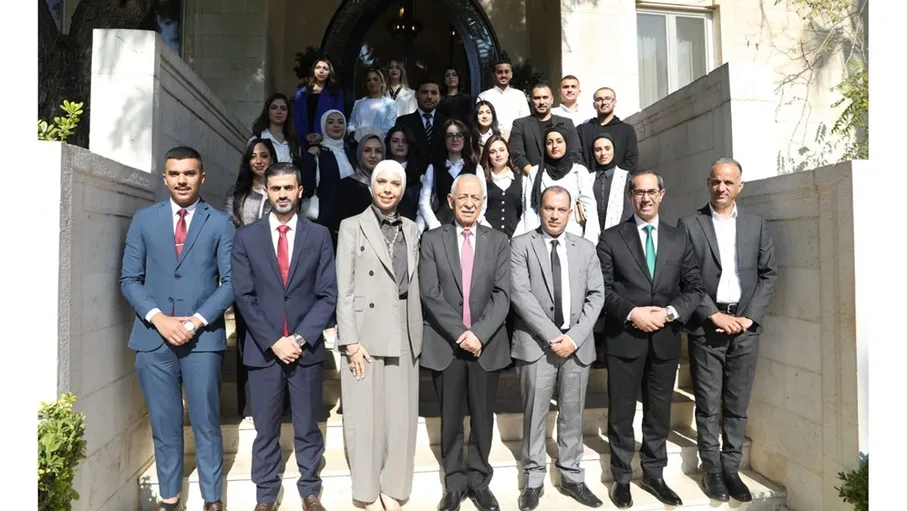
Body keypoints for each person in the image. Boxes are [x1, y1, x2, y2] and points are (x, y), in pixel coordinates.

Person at [120, 146, 235, 511]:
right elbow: (129, 279)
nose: (182, 180)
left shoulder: (220, 223)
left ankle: (212, 499)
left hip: (202, 340)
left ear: (202, 177)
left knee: (206, 422)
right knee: (164, 423)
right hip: (153, 339)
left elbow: (231, 282)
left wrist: (195, 321)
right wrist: (159, 318)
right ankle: (169, 498)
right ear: (165, 177)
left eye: (190, 173)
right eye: (175, 173)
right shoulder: (144, 220)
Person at [231, 162, 338, 511]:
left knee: (307, 426)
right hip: (264, 351)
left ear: (299, 191)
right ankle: (265, 495)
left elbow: (327, 295)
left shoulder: (318, 235)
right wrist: (274, 340)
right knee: (265, 429)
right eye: (275, 188)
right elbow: (243, 295)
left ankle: (310, 490)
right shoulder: (246, 237)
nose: (282, 194)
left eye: (288, 188)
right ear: (266, 191)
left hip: (306, 351)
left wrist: (300, 338)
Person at [596, 170, 706, 509]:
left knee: (658, 412)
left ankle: (654, 474)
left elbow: (695, 288)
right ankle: (622, 477)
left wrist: (670, 313)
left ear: (662, 194)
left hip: (665, 338)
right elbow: (603, 289)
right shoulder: (611, 238)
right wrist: (633, 313)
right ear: (631, 196)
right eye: (639, 192)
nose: (645, 198)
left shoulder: (679, 238)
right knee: (621, 412)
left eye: (651, 192)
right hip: (624, 337)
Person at [676, 158, 778, 503]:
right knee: (707, 404)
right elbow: (686, 276)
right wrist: (712, 315)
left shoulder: (756, 224)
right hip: (708, 327)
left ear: (739, 186)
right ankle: (712, 469)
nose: (721, 188)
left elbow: (768, 274)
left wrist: (750, 318)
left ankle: (731, 469)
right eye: (716, 181)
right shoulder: (689, 224)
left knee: (736, 403)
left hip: (745, 328)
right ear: (709, 183)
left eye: (728, 183)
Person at [419, 173, 512, 511]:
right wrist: (461, 333)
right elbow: (430, 293)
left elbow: (503, 294)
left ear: (483, 202)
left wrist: (479, 334)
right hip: (447, 344)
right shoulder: (432, 240)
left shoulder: (498, 240)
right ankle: (455, 483)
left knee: (483, 418)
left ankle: (479, 481)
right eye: (463, 197)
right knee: (451, 417)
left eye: (475, 198)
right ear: (451, 200)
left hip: (486, 345)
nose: (469, 203)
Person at [510, 186, 605, 511]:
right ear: (539, 208)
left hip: (576, 346)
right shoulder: (521, 245)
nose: (554, 215)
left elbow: (597, 295)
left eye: (561, 210)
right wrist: (554, 337)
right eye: (549, 208)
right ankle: (533, 479)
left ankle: (572, 476)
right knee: (534, 414)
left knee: (572, 414)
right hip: (537, 345)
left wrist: (574, 338)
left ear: (570, 212)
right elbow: (520, 294)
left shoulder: (586, 248)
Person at [336, 160, 423, 511]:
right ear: (372, 186)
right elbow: (344, 287)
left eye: (395, 183)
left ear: (402, 189)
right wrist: (350, 341)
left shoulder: (412, 229)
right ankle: (367, 489)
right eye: (381, 182)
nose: (388, 188)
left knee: (401, 416)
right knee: (366, 415)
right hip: (365, 331)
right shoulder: (351, 226)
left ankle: (394, 485)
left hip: (404, 325)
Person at [224, 137, 278, 421]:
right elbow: (229, 232)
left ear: (273, 159)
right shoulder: (237, 195)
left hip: (278, 277)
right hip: (246, 275)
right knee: (247, 340)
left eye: (264, 155)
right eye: (253, 156)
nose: (259, 160)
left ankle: (280, 404)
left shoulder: (281, 189)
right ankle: (248, 406)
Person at [587, 133, 635, 368]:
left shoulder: (626, 177)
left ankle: (612, 346)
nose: (602, 153)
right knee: (594, 291)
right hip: (591, 242)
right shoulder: (587, 178)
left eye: (607, 148)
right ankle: (596, 348)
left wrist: (614, 239)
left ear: (614, 150)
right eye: (598, 149)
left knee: (615, 291)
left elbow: (629, 211)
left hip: (618, 243)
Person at [514, 125, 599, 244]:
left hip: (573, 236)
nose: (554, 146)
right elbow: (530, 209)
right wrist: (531, 241)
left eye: (559, 141)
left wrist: (590, 242)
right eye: (549, 142)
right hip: (542, 237)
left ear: (566, 144)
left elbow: (590, 208)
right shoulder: (535, 172)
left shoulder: (579, 172)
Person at [418, 119, 488, 232]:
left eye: (459, 135)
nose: (455, 139)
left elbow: (483, 201)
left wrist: (473, 223)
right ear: (444, 140)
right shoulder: (433, 168)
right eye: (449, 135)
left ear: (465, 139)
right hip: (440, 227)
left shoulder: (476, 169)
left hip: (469, 228)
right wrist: (435, 225)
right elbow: (424, 202)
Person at [509, 83, 583, 176]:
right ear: (531, 100)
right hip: (531, 177)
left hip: (563, 177)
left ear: (552, 99)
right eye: (537, 98)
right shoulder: (520, 124)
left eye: (545, 97)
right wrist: (534, 175)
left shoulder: (567, 123)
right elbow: (517, 154)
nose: (541, 102)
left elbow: (575, 152)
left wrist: (564, 175)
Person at [299, 109, 357, 227]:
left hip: (352, 214)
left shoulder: (352, 152)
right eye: (330, 122)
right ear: (323, 126)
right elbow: (306, 185)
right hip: (325, 217)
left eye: (340, 122)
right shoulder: (317, 153)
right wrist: (308, 157)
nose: (336, 125)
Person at [326, 134, 386, 240]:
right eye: (367, 150)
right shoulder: (344, 186)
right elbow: (335, 225)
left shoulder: (390, 185)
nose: (373, 155)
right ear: (359, 153)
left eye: (378, 151)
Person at [394, 77, 449, 173]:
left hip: (441, 176)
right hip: (411, 176)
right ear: (416, 95)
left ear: (439, 97)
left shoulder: (447, 123)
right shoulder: (403, 122)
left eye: (434, 93)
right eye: (424, 92)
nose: (429, 97)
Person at [577, 87, 638, 171]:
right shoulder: (581, 130)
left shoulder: (627, 130)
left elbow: (631, 160)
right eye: (599, 99)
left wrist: (616, 177)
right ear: (594, 104)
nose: (604, 102)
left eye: (608, 98)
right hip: (588, 178)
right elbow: (577, 159)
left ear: (614, 102)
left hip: (619, 178)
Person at [293, 58, 344, 150]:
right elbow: (297, 116)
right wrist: (305, 135)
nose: (321, 71)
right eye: (318, 67)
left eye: (325, 68)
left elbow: (339, 117)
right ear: (313, 70)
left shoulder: (335, 93)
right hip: (305, 141)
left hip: (327, 141)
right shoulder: (302, 93)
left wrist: (321, 134)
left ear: (329, 72)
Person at [480, 135, 522, 239]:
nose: (498, 155)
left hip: (516, 237)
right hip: (488, 237)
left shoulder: (520, 179)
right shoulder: (482, 179)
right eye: (493, 152)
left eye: (502, 150)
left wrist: (518, 235)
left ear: (508, 152)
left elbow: (524, 211)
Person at [477, 60, 530, 134]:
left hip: (516, 137)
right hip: (491, 137)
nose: (503, 75)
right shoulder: (484, 96)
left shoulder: (519, 95)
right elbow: (480, 121)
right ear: (493, 75)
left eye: (506, 72)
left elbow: (525, 121)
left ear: (511, 74)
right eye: (499, 72)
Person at [384, 125, 421, 222]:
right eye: (395, 141)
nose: (400, 144)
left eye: (405, 141)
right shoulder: (381, 172)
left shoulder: (419, 177)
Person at [250, 93, 300, 163]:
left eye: (283, 109)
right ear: (267, 111)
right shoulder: (257, 139)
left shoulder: (293, 142)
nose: (278, 112)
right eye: (274, 108)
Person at [348, 68, 398, 138]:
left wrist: (369, 138)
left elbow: (388, 127)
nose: (372, 82)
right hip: (357, 142)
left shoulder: (390, 104)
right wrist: (355, 136)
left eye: (375, 79)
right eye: (369, 80)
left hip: (378, 142)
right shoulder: (358, 103)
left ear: (382, 83)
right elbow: (351, 125)